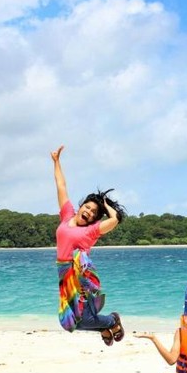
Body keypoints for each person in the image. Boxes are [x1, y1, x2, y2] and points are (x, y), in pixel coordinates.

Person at [51, 145, 127, 346]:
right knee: (69, 322)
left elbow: (115, 220)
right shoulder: (67, 215)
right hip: (63, 273)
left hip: (79, 275)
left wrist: (106, 205)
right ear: (81, 206)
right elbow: (61, 186)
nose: (89, 212)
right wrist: (56, 162)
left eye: (94, 213)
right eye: (88, 207)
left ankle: (112, 321)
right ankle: (104, 326)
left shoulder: (91, 231)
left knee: (83, 319)